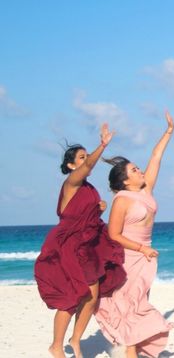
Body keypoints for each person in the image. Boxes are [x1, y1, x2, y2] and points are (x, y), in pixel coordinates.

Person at [35, 123, 126, 358]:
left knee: (91, 296)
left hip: (88, 245)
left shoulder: (88, 187)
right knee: (72, 296)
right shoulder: (72, 183)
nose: (87, 161)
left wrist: (99, 210)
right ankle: (56, 345)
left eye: (87, 156)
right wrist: (103, 145)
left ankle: (75, 340)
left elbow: (85, 217)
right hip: (68, 244)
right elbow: (87, 167)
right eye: (82, 158)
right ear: (71, 165)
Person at [95, 112, 174, 357]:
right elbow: (113, 234)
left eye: (138, 168)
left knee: (137, 304)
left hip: (146, 256)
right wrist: (142, 249)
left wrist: (169, 132)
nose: (140, 171)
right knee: (131, 304)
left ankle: (130, 350)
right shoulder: (122, 199)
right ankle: (129, 352)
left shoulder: (145, 190)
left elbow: (156, 157)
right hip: (130, 256)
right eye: (134, 170)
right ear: (125, 180)